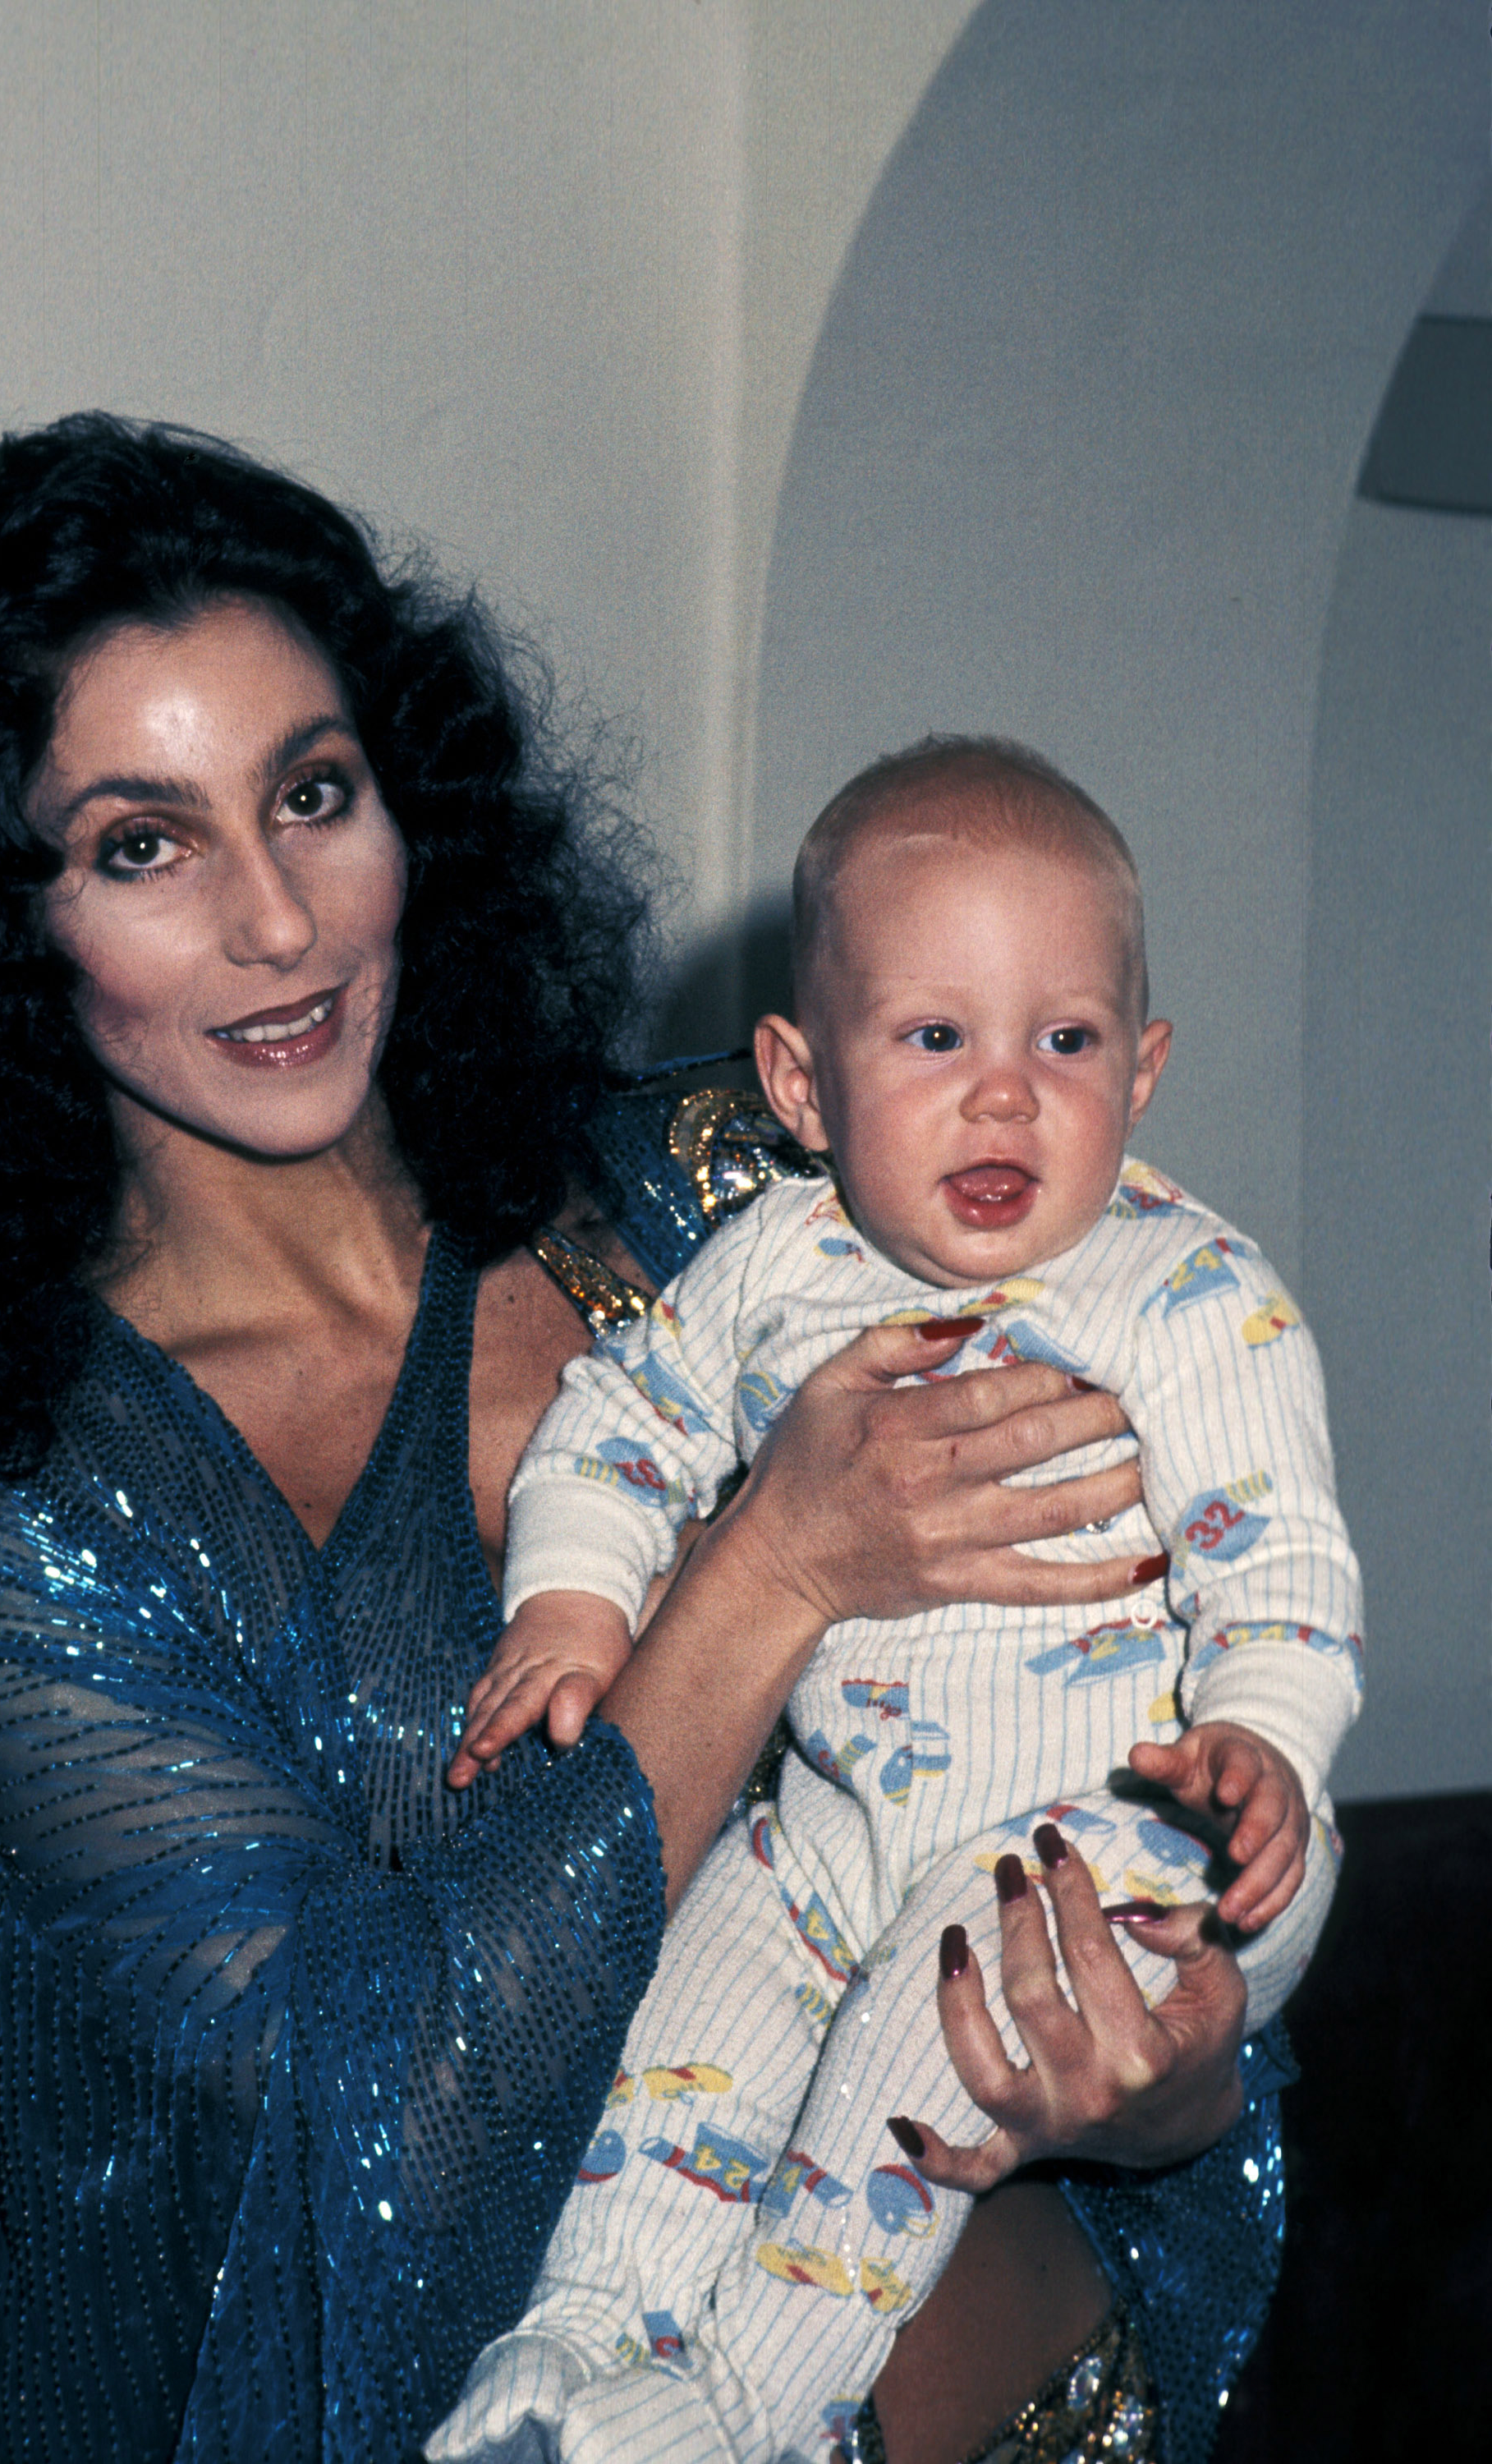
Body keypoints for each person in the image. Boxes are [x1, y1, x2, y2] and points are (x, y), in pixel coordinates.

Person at [0, 418, 1270, 2464]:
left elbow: (1129, 1699)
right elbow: (375, 2113)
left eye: (313, 794)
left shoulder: (744, 1182)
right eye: (143, 844)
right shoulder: (3, 1498)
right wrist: (770, 1577)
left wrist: (1174, 2081)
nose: (280, 923)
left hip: (1057, 2404)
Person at [434, 742, 1361, 2464]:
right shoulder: (773, 1264)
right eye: (937, 1040)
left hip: (1124, 1840)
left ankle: (730, 2415)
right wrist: (571, 1606)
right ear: (799, 1081)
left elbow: (1283, 1567)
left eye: (1063, 1042)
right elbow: (615, 1431)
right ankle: (572, 2354)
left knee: (891, 2105)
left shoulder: (1184, 1291)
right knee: (680, 2036)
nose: (1005, 1098)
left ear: (1143, 1071)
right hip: (842, 1820)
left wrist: (1260, 1742)